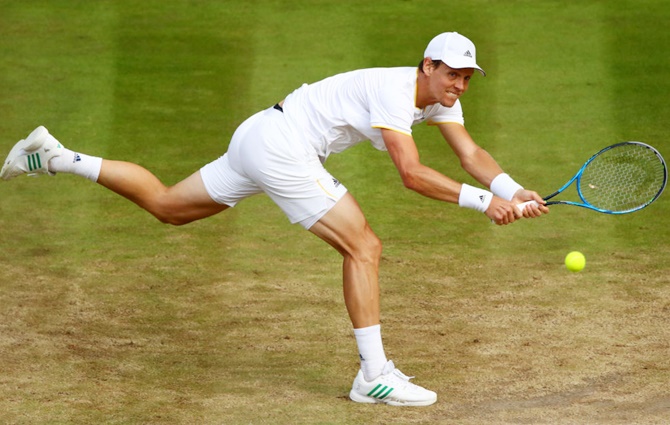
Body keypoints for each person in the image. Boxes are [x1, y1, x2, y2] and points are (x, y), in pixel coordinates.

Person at [1, 32, 548, 406]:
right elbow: (410, 172)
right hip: (284, 148)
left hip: (259, 134)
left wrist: (510, 188)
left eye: (467, 77)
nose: (459, 85)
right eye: (452, 74)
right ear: (427, 66)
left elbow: (471, 155)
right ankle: (375, 378)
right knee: (364, 247)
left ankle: (54, 157)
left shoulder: (439, 100)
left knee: (169, 207)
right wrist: (484, 204)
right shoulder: (393, 90)